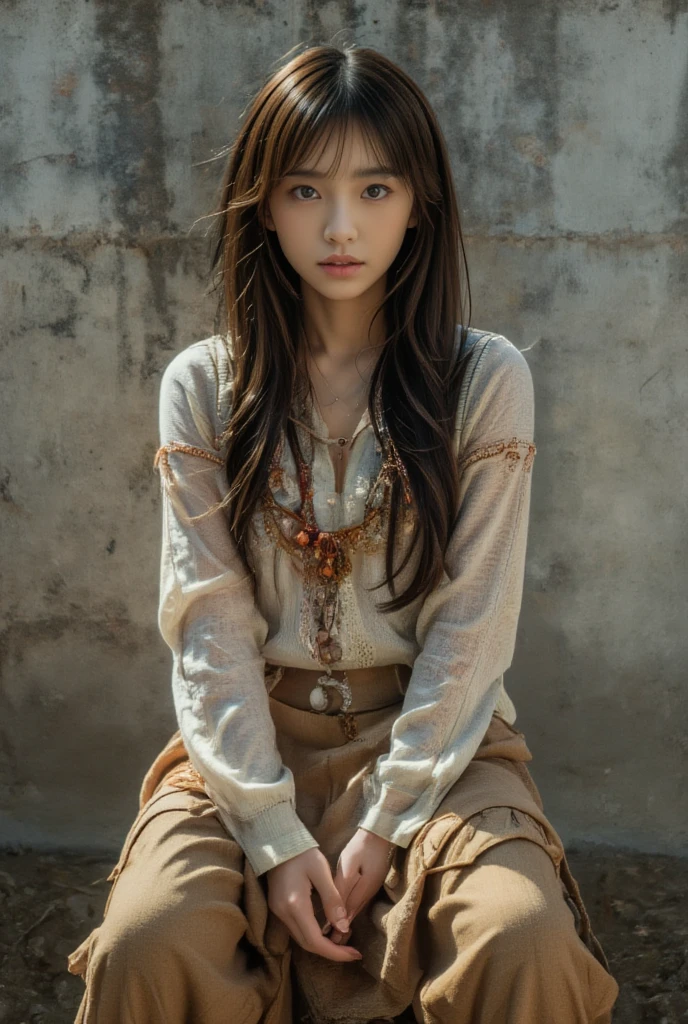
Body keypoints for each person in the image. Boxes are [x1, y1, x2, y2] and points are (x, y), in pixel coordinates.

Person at [67, 42, 619, 1024]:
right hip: (249, 739)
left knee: (518, 938)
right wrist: (272, 830)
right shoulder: (204, 385)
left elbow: (474, 624)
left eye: (373, 188)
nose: (338, 225)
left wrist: (385, 816)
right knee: (147, 940)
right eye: (304, 189)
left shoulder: (483, 380)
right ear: (262, 203)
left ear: (419, 205)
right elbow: (211, 625)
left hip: (440, 741)